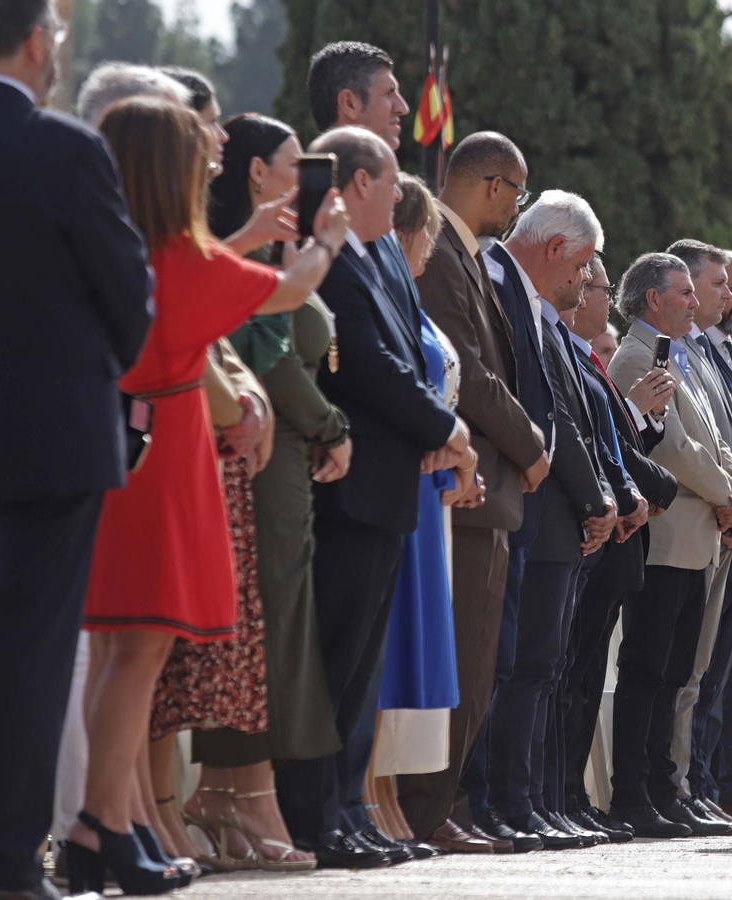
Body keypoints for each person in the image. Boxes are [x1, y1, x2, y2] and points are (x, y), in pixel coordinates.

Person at [74, 96, 345, 895]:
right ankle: (103, 823)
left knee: (121, 652)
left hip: (126, 454)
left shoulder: (127, 251)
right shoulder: (178, 257)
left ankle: (106, 824)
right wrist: (324, 238)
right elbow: (291, 290)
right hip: (165, 465)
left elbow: (205, 288)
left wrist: (249, 238)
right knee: (141, 653)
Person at [271, 125, 468, 869]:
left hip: (389, 487)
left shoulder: (378, 254)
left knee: (362, 668)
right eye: (389, 182)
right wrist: (445, 427)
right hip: (346, 489)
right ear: (357, 184)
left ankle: (346, 806)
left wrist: (439, 430)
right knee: (334, 658)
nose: (399, 194)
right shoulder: (330, 264)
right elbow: (369, 368)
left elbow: (406, 360)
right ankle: (314, 812)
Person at [0, 5, 154, 896]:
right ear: (34, 41)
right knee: (29, 656)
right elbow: (131, 303)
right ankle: (12, 862)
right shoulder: (64, 149)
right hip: (49, 447)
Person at [179, 110, 350, 873]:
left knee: (267, 627)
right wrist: (329, 423)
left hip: (274, 448)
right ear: (257, 173)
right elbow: (269, 340)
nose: (302, 174)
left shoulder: (247, 240)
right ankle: (243, 792)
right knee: (259, 630)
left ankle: (237, 791)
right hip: (257, 450)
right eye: (291, 161)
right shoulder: (223, 245)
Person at [398, 132, 550, 854]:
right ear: (492, 183)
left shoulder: (463, 256)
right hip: (467, 487)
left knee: (478, 653)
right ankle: (430, 806)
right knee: (460, 651)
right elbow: (473, 379)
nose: (518, 205)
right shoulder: (443, 258)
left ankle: (442, 802)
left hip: (484, 489)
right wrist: (532, 445)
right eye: (517, 190)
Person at [484, 191, 617, 849]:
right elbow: (549, 415)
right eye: (585, 267)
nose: (586, 281)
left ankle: (529, 798)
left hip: (555, 514)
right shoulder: (511, 297)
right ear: (558, 249)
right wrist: (597, 499)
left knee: (542, 665)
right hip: (536, 506)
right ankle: (510, 799)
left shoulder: (543, 317)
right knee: (524, 665)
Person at [606, 252, 732, 839]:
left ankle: (666, 787)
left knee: (675, 674)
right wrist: (727, 493)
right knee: (647, 668)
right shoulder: (637, 355)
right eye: (684, 293)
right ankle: (634, 794)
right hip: (666, 536)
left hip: (696, 536)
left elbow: (712, 436)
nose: (696, 303)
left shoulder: (676, 352)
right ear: (653, 299)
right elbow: (668, 449)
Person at [364, 174, 471, 860]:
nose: (432, 244)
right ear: (409, 230)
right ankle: (371, 791)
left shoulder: (411, 301)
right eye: (428, 229)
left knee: (414, 646)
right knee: (388, 639)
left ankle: (387, 792)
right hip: (407, 480)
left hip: (434, 490)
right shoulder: (385, 295)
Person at [559, 255, 679, 843]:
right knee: (568, 676)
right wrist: (650, 489)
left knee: (581, 680)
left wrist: (639, 419)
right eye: (598, 285)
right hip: (594, 536)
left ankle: (568, 795)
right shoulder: (584, 357)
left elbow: (619, 438)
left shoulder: (588, 358)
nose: (602, 296)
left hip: (618, 536)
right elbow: (596, 442)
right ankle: (556, 793)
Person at [664, 240, 732, 836]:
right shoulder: (677, 354)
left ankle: (700, 783)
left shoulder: (715, 355)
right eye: (725, 287)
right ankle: (687, 784)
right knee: (685, 672)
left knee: (713, 672)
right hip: (700, 526)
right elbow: (681, 446)